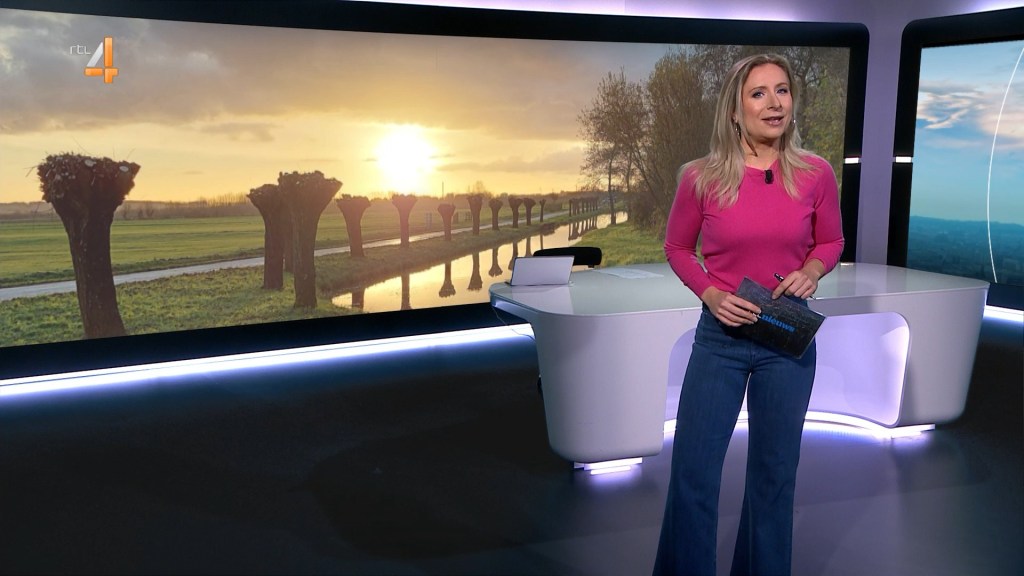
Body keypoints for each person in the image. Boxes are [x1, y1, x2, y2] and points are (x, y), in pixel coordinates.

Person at [653, 53, 844, 576]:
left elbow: (831, 240)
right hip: (722, 339)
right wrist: (710, 294)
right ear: (735, 111)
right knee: (694, 473)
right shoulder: (701, 177)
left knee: (774, 478)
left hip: (786, 337)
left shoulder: (815, 174)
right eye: (759, 93)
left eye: (782, 90)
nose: (774, 103)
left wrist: (813, 270)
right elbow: (676, 247)